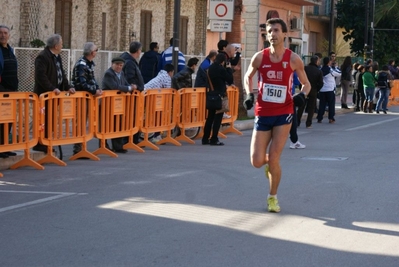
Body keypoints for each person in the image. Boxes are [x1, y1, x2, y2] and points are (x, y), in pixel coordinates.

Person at [242, 18, 310, 213]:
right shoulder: (260, 57)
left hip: (284, 113)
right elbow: (248, 76)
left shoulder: (293, 59)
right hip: (263, 112)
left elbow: (307, 84)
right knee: (256, 161)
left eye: (276, 30)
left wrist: (301, 96)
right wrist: (249, 94)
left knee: (274, 158)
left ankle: (272, 197)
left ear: (285, 34)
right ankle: (269, 166)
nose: (272, 34)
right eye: (269, 31)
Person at [33, 34, 75, 153]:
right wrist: (52, 88)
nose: (62, 46)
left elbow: (62, 74)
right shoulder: (43, 57)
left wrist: (68, 87)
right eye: (61, 43)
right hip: (44, 95)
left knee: (50, 119)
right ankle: (40, 143)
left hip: (54, 95)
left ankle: (46, 141)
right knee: (43, 120)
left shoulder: (57, 57)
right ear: (56, 46)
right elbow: (41, 76)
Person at [71, 42, 103, 155]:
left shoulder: (89, 64)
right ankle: (78, 148)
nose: (96, 52)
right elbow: (81, 83)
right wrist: (94, 91)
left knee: (84, 122)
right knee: (80, 122)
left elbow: (92, 80)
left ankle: (82, 147)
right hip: (82, 97)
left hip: (88, 97)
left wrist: (97, 89)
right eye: (96, 50)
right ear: (91, 52)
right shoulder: (82, 64)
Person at [102, 57, 135, 153]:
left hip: (118, 103)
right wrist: (129, 88)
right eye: (117, 65)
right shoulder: (109, 74)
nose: (119, 67)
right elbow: (115, 87)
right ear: (112, 64)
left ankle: (118, 146)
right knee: (107, 124)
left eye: (121, 65)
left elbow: (125, 83)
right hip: (108, 102)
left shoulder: (122, 73)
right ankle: (104, 145)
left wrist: (131, 86)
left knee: (118, 124)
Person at [202, 53, 233, 146]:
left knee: (210, 117)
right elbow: (230, 79)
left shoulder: (210, 68)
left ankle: (205, 138)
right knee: (218, 118)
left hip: (211, 94)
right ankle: (214, 138)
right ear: (223, 62)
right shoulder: (221, 69)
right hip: (219, 95)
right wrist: (228, 68)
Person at [0, 25, 18, 158]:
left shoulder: (10, 50)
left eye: (5, 33)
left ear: (9, 35)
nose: (3, 35)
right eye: (0, 33)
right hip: (2, 91)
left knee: (9, 120)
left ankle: (6, 147)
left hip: (12, 91)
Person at [297, 55, 323, 128]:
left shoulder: (305, 69)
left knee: (301, 106)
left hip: (304, 88)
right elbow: (321, 83)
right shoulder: (318, 71)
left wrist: (301, 87)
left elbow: (300, 78)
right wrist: (316, 89)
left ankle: (297, 121)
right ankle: (308, 123)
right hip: (313, 90)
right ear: (316, 61)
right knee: (311, 107)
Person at [317, 57, 341, 123]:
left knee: (322, 104)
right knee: (331, 104)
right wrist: (336, 67)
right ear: (328, 62)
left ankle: (319, 118)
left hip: (322, 89)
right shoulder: (330, 70)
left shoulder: (321, 69)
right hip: (330, 89)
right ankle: (331, 118)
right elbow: (339, 73)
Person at [289, 72, 306, 149]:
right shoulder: (292, 69)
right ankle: (294, 141)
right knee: (293, 121)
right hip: (289, 97)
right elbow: (297, 82)